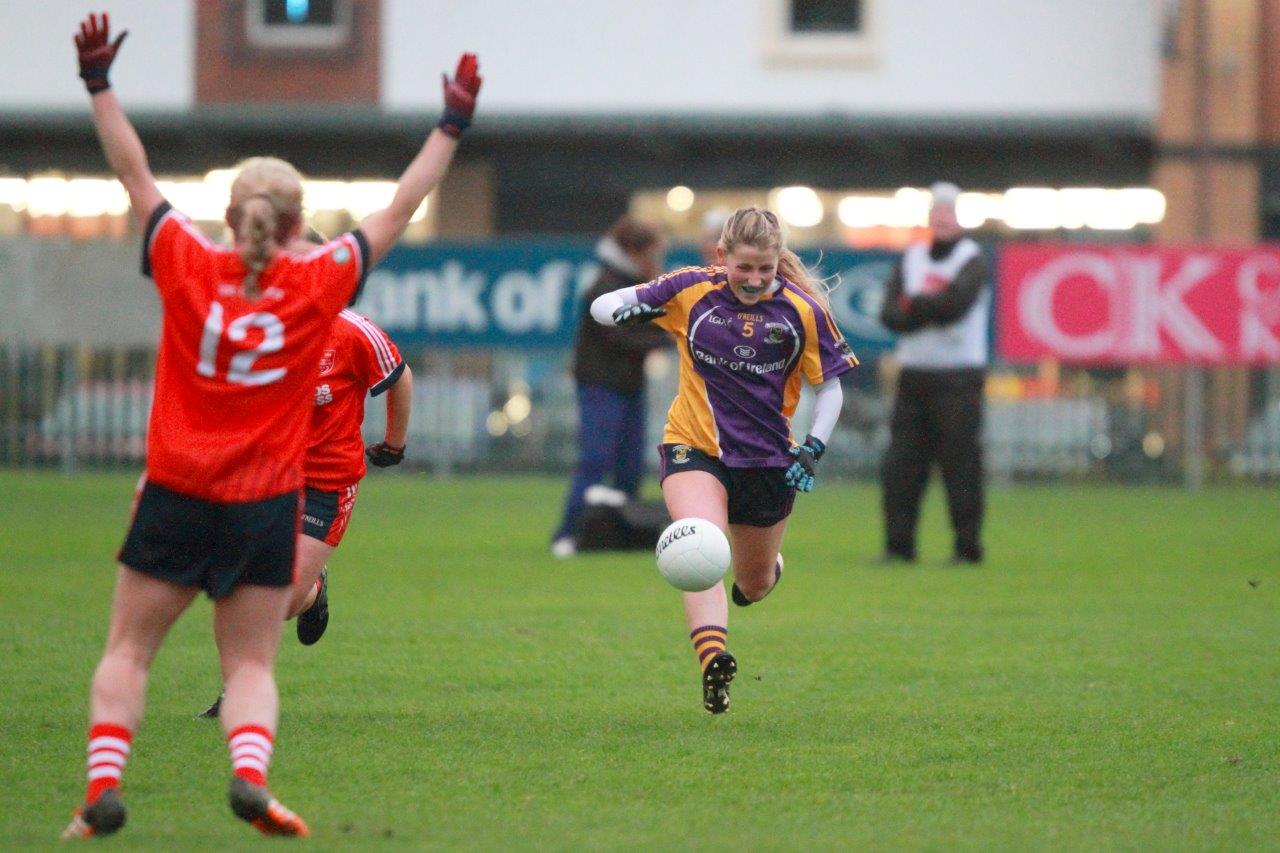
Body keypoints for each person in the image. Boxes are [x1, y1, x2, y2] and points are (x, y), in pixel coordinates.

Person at [62, 12, 479, 839]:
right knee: (251, 660)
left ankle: (102, 785)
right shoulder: (320, 285)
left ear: (230, 212)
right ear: (296, 226)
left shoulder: (184, 259)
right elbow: (402, 205)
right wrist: (451, 122)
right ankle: (250, 775)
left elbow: (133, 171)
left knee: (128, 649)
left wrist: (99, 83)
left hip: (176, 486)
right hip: (263, 502)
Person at [589, 206, 858, 713]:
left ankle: (767, 567)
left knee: (752, 585)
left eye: (766, 269)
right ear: (722, 257)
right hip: (694, 446)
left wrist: (813, 450)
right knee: (703, 544)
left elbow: (832, 391)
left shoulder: (802, 311)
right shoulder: (691, 288)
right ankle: (714, 661)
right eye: (744, 268)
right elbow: (602, 304)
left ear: (779, 262)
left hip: (767, 462)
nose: (755, 280)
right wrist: (622, 307)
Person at [198, 255, 414, 718]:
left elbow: (399, 377)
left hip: (326, 483)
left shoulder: (353, 331)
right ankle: (235, 693)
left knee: (276, 596)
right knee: (234, 587)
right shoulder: (256, 330)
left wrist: (394, 445)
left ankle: (310, 591)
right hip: (264, 475)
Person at [877, 182, 989, 565]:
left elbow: (955, 305)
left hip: (959, 379)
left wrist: (914, 306)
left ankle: (967, 547)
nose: (941, 220)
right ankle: (898, 546)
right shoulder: (911, 258)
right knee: (901, 466)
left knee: (961, 468)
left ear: (959, 219)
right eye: (936, 213)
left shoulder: (973, 259)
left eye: (949, 213)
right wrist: (925, 308)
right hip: (914, 377)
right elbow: (889, 313)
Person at [550, 216, 669, 557]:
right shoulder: (605, 286)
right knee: (595, 460)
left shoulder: (629, 284)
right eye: (652, 255)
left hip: (630, 385)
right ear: (633, 251)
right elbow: (620, 338)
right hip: (601, 386)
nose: (655, 264)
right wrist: (668, 334)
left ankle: (622, 533)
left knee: (630, 464)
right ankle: (568, 533)